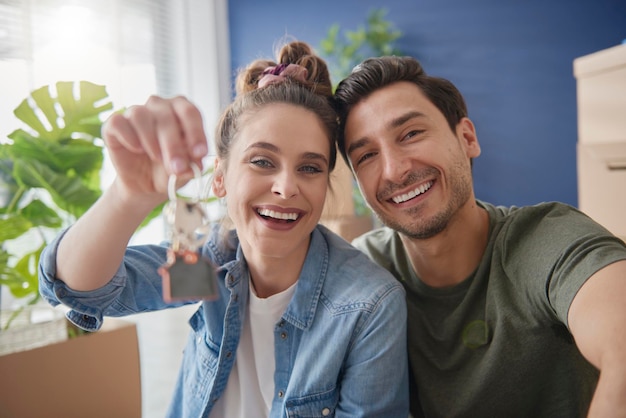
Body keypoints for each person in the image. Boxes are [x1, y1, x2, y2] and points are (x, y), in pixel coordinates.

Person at [38, 41, 409, 417]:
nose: (285, 187)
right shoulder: (210, 265)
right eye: (263, 161)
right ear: (220, 179)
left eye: (310, 168)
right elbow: (84, 291)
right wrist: (128, 195)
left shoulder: (367, 305)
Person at [332, 55, 626, 418]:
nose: (394, 170)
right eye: (366, 156)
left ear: (467, 138)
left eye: (411, 134)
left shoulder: (546, 239)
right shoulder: (360, 272)